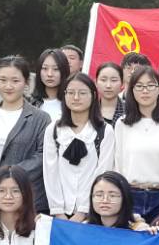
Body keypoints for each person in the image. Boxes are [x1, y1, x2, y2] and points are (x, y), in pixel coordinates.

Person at [0, 56, 51, 214]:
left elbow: (43, 157)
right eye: (3, 80)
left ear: (26, 83)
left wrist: (8, 175)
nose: (8, 86)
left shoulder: (40, 118)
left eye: (15, 81)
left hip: (26, 195)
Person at [114, 65, 159, 222]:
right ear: (131, 90)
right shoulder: (122, 124)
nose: (145, 91)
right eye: (139, 86)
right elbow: (118, 164)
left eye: (150, 85)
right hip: (130, 196)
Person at [43, 73, 115, 221]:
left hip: (93, 213)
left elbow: (103, 171)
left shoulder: (104, 131)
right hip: (60, 214)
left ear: (93, 95)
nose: (76, 97)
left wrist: (83, 211)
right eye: (71, 92)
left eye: (82, 93)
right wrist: (58, 211)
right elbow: (50, 172)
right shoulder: (54, 130)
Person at [31, 48, 70, 121]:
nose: (50, 74)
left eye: (56, 69)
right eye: (45, 68)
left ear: (64, 71)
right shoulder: (31, 104)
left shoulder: (71, 103)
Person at [95, 62, 125, 126]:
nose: (108, 85)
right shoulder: (88, 110)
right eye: (103, 80)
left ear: (122, 83)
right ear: (96, 82)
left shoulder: (131, 110)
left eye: (114, 80)